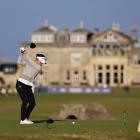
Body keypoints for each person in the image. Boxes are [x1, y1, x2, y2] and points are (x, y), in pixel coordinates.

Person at [16, 43, 46, 124]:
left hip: (28, 86)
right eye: (41, 61)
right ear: (38, 59)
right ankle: (23, 120)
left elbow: (28, 60)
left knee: (32, 103)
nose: (42, 63)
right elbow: (19, 62)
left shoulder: (38, 67)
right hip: (20, 84)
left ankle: (26, 118)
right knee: (25, 101)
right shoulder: (31, 64)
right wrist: (21, 53)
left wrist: (24, 51)